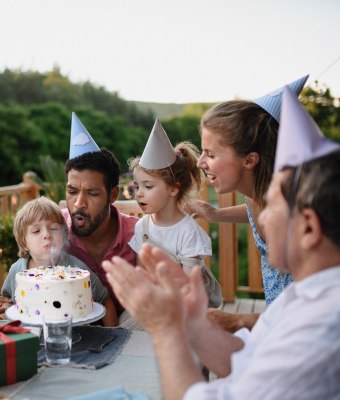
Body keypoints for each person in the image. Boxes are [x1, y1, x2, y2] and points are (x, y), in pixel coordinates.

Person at [103, 87, 340, 399]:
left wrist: (165, 330)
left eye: (273, 207)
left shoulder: (320, 328)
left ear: (308, 227)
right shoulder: (301, 295)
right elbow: (246, 358)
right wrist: (190, 320)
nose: (261, 219)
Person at [190, 75, 308, 332]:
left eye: (210, 154)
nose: (200, 163)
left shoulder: (296, 218)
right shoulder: (256, 191)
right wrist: (215, 214)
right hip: (277, 323)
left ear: (249, 160)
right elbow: (255, 213)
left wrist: (239, 320)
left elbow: (315, 309)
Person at [128, 120, 222, 308]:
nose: (138, 193)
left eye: (148, 186)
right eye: (137, 186)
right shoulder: (143, 226)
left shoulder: (188, 232)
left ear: (173, 189)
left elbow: (189, 290)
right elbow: (141, 272)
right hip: (154, 301)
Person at [0, 197, 118, 326]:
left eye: (53, 228)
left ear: (64, 235)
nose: (47, 235)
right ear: (24, 243)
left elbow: (104, 300)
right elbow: (9, 304)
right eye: (36, 230)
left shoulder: (76, 269)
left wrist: (114, 334)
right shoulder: (17, 271)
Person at [63, 112, 138, 317]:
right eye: (72, 192)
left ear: (113, 195)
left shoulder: (141, 235)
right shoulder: (52, 229)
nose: (79, 204)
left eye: (92, 193)